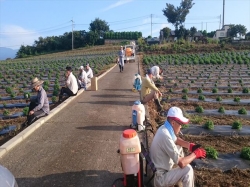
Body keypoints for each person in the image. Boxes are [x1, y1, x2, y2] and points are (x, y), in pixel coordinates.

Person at [150, 106, 206, 187]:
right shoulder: (165, 135)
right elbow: (182, 163)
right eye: (180, 124)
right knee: (188, 170)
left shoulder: (165, 128)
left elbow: (176, 140)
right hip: (160, 178)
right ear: (173, 123)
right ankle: (182, 179)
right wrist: (195, 154)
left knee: (179, 148)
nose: (181, 126)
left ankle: (179, 181)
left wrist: (189, 146)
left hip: (157, 171)